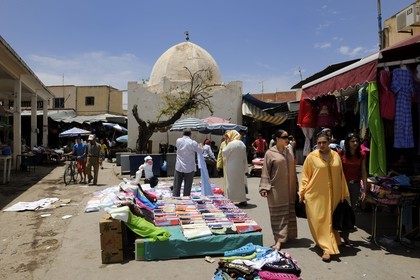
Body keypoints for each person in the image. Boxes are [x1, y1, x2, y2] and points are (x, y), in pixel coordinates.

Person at [299, 132, 349, 262]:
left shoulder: (336, 156)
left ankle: (330, 241)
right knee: (319, 220)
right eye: (319, 143)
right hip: (316, 195)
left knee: (331, 220)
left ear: (329, 142)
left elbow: (341, 175)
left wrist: (344, 192)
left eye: (324, 142)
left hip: (334, 195)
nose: (321, 145)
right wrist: (302, 192)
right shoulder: (311, 157)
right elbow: (305, 176)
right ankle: (327, 248)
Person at [259, 129, 297, 251]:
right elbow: (265, 170)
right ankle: (278, 240)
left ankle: (286, 236)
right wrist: (264, 187)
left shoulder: (289, 150)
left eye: (288, 138)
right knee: (277, 215)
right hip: (276, 189)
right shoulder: (270, 153)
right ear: (277, 139)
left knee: (289, 211)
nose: (287, 140)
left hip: (289, 188)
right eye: (284, 137)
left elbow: (294, 168)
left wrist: (297, 185)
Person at [338, 132, 368, 246]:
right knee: (340, 209)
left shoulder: (362, 155)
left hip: (355, 185)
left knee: (351, 211)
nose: (355, 143)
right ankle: (337, 234)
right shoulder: (341, 153)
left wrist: (365, 189)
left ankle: (346, 236)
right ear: (348, 142)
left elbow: (364, 172)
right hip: (342, 185)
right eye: (352, 141)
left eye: (356, 141)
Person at [173, 128, 203, 197]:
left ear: (183, 133)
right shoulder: (193, 143)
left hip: (179, 166)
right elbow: (201, 151)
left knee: (177, 185)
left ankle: (175, 198)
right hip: (189, 167)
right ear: (190, 134)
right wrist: (201, 146)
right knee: (187, 186)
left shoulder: (178, 140)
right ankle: (186, 199)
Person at [222, 130, 248, 206]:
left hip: (231, 167)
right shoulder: (242, 143)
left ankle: (231, 199)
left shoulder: (231, 144)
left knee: (231, 184)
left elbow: (224, 153)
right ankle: (243, 200)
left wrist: (227, 143)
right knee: (240, 184)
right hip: (240, 167)